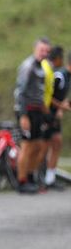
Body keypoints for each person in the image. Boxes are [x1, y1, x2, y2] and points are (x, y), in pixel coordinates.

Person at [14, 37, 52, 194]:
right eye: (41, 50)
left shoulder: (43, 67)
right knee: (27, 145)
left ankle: (30, 177)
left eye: (46, 51)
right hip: (27, 110)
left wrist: (46, 112)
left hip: (38, 110)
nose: (43, 53)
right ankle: (21, 180)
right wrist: (23, 115)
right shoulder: (27, 66)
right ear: (35, 49)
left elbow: (40, 91)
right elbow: (20, 92)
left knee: (37, 145)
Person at [44, 46, 69, 190]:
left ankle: (50, 177)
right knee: (45, 145)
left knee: (57, 143)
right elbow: (49, 96)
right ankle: (42, 176)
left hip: (55, 114)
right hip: (48, 113)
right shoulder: (59, 75)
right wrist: (60, 106)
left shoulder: (66, 76)